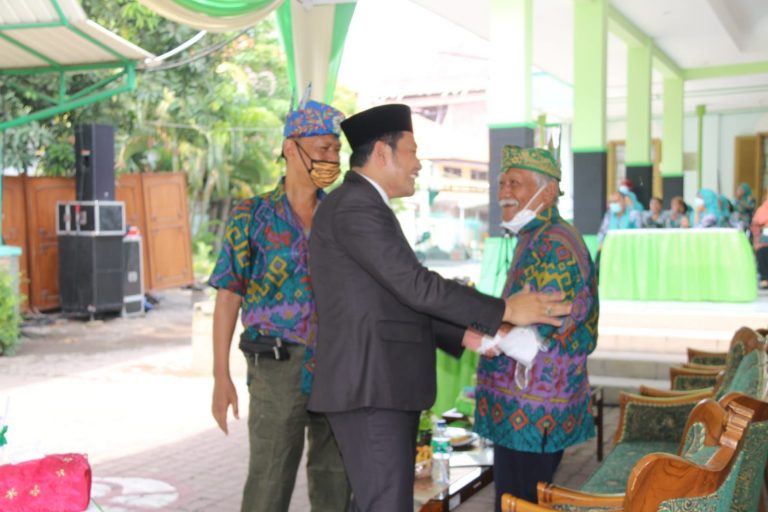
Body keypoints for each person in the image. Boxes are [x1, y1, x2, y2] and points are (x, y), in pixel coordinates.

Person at [307, 104, 572, 512]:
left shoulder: (365, 205)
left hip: (380, 384)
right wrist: (505, 309)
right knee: (386, 505)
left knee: (378, 502)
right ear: (382, 153)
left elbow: (392, 298)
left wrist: (463, 333)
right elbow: (414, 285)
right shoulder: (356, 207)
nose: (418, 163)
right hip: (372, 386)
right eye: (411, 151)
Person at [208, 99, 351, 512]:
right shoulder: (251, 215)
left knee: (335, 481)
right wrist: (221, 376)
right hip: (275, 367)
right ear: (292, 148)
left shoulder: (342, 216)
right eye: (323, 148)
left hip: (336, 364)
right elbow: (228, 294)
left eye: (335, 150)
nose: (332, 158)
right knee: (269, 483)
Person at [474, 146, 598, 509]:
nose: (503, 194)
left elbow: (536, 336)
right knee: (516, 499)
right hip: (522, 408)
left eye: (514, 183)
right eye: (500, 184)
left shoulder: (556, 243)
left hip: (535, 410)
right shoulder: (534, 236)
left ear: (548, 191)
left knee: (520, 502)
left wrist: (481, 333)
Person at [751, 197, 768, 289]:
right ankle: (765, 279)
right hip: (764, 239)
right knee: (762, 251)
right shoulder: (763, 209)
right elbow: (756, 223)